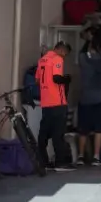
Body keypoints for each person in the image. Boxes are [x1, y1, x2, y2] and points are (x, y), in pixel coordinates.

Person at [75, 29, 101, 166]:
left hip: (85, 99)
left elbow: (82, 51)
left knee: (83, 129)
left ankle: (80, 156)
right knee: (99, 128)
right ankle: (96, 157)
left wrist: (88, 40)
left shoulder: (83, 58)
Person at [35, 41, 73, 171]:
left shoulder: (42, 60)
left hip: (46, 102)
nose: (64, 57)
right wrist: (67, 79)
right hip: (58, 102)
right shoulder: (57, 59)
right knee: (58, 133)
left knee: (44, 133)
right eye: (65, 54)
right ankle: (60, 162)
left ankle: (43, 161)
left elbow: (37, 81)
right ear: (62, 50)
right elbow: (56, 78)